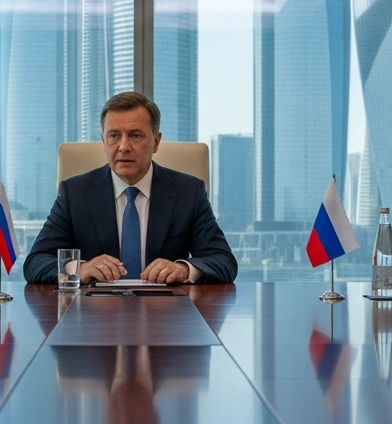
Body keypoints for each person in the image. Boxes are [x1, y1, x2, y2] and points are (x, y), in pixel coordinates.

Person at [24, 91, 237, 285]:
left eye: (135, 135)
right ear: (103, 141)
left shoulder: (188, 191)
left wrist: (183, 269)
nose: (124, 147)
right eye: (114, 136)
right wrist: (81, 268)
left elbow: (223, 261)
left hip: (167, 314)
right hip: (94, 315)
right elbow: (35, 262)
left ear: (156, 141)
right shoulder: (75, 193)